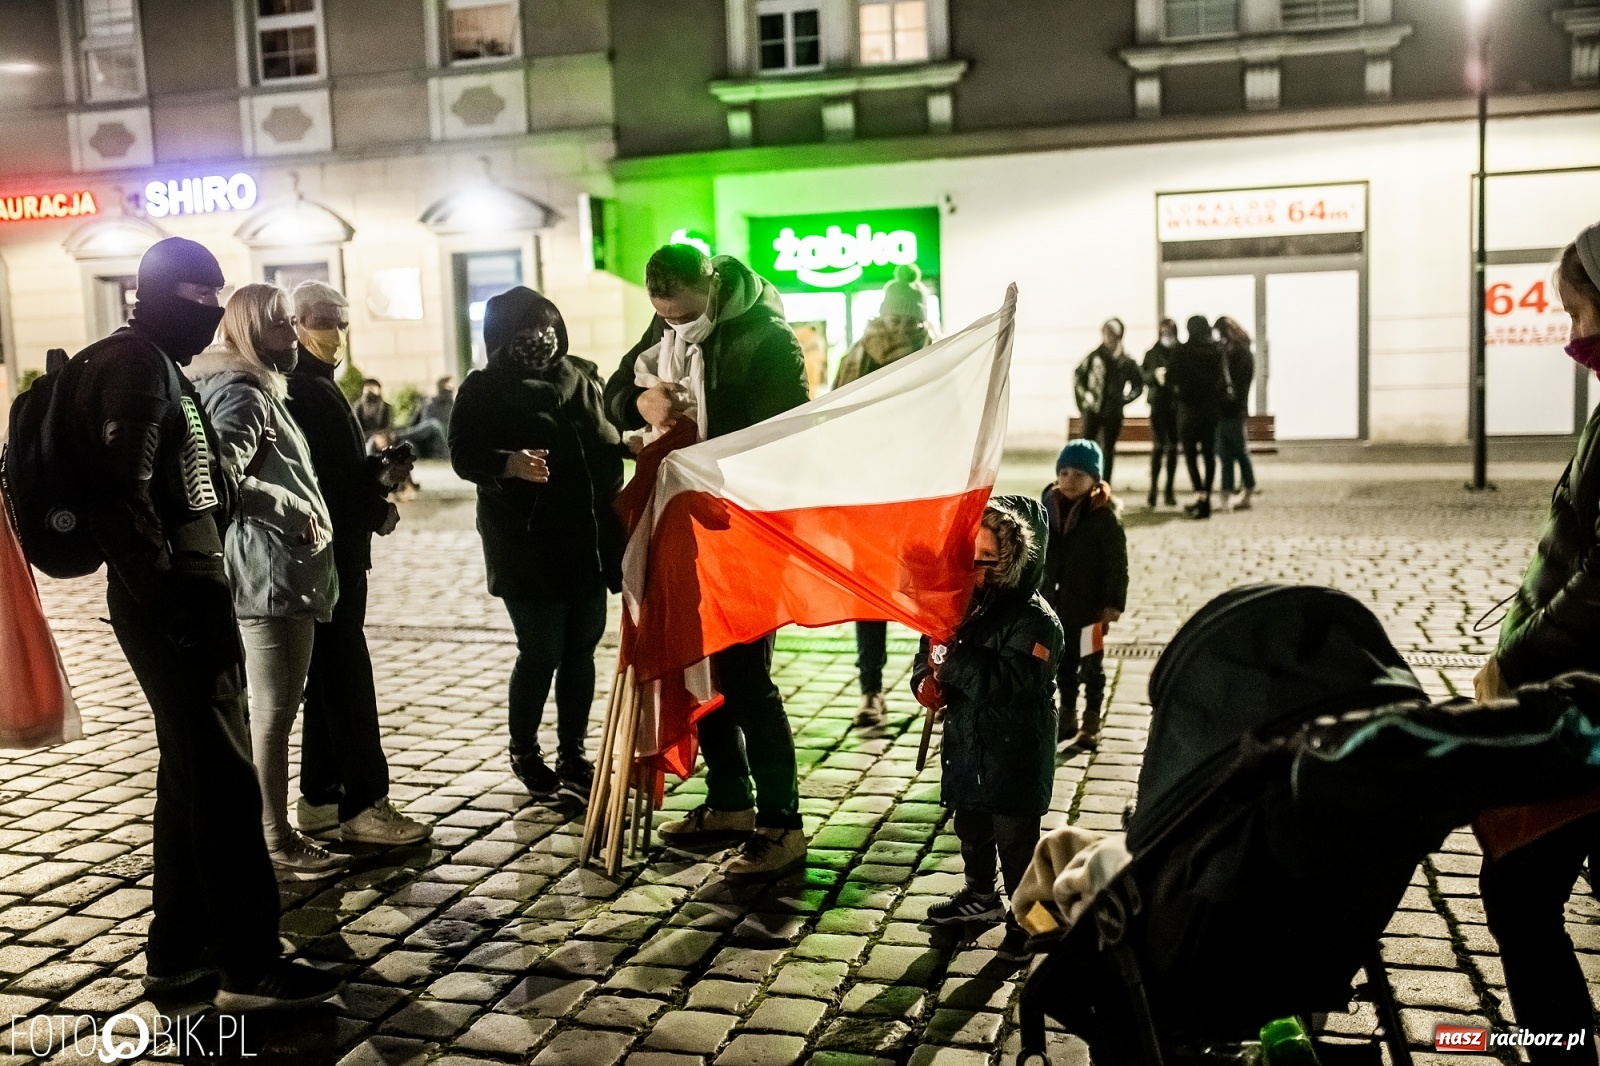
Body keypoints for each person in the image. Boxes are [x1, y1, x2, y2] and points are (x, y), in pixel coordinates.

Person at [65, 237, 341, 1010]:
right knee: (222, 786)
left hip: (185, 592)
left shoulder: (157, 363)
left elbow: (188, 482)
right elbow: (124, 495)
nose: (214, 310)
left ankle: (177, 957)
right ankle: (246, 961)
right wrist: (170, 600)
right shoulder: (134, 368)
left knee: (191, 781)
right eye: (201, 294)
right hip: (174, 601)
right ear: (159, 294)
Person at [604, 243, 811, 877]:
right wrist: (643, 406)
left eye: (685, 316)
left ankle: (782, 823)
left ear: (713, 288)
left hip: (743, 528)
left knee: (748, 681)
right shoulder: (662, 327)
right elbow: (614, 394)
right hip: (683, 534)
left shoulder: (769, 340)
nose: (674, 327)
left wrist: (706, 443)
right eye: (663, 316)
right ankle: (729, 801)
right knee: (703, 670)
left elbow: (786, 435)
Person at [1475, 224, 1600, 1066]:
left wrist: (1514, 658)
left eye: (1576, 309)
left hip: (1585, 695)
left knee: (1519, 889)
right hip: (1580, 687)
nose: (1570, 332)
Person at [187, 285, 347, 881]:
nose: (295, 337)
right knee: (274, 716)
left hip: (272, 572)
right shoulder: (244, 394)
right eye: (281, 326)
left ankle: (269, 833)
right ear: (252, 333)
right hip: (271, 575)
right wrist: (282, 503)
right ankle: (276, 838)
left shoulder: (253, 389)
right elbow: (216, 476)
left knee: (268, 713)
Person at [450, 288, 625, 800]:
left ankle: (573, 752)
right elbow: (463, 454)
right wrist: (507, 462)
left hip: (587, 540)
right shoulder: (483, 388)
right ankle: (525, 750)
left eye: (548, 328)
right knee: (541, 649)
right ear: (501, 338)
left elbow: (605, 436)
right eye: (526, 333)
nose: (541, 341)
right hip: (525, 542)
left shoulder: (578, 376)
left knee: (581, 649)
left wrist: (631, 444)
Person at [286, 280, 430, 847]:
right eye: (323, 320)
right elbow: (326, 486)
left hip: (326, 552)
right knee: (345, 676)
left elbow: (336, 473)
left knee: (327, 676)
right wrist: (376, 503)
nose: (335, 332)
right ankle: (364, 803)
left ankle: (321, 796)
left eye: (341, 320)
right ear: (295, 323)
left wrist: (376, 471)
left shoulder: (314, 386)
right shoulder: (309, 390)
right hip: (331, 553)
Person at [914, 496, 1064, 965]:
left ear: (1014, 561)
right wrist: (926, 682)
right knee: (971, 829)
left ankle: (1038, 925)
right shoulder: (956, 607)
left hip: (1015, 754)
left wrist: (953, 662)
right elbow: (929, 656)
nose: (976, 573)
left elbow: (1012, 683)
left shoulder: (1037, 621)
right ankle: (980, 896)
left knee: (1018, 850)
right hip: (968, 747)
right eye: (969, 561)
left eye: (988, 563)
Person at [834, 264, 935, 729]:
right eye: (897, 314)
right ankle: (884, 687)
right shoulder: (869, 356)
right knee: (885, 596)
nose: (899, 323)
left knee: (920, 593)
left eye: (905, 315)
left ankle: (921, 682)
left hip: (901, 493)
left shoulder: (928, 352)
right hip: (886, 492)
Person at [1040, 440, 1127, 753]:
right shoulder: (1048, 513)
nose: (1069, 478)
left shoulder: (1103, 519)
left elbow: (1118, 566)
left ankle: (1092, 720)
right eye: (1063, 471)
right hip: (1057, 610)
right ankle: (1067, 715)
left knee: (1091, 666)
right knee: (1063, 665)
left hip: (1092, 612)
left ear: (1095, 480)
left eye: (1079, 473)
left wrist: (1112, 605)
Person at [1072, 318, 1143, 488]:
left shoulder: (1126, 361)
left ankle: (1104, 486)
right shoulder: (1094, 357)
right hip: (1093, 410)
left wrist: (1124, 399)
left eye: (1111, 334)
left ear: (1119, 336)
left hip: (1113, 412)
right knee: (1087, 447)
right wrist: (1085, 397)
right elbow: (1078, 377)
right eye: (1105, 333)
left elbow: (1138, 385)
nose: (1107, 337)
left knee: (1108, 451)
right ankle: (1085, 484)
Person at [1169, 314, 1227, 520]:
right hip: (1210, 411)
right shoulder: (1216, 350)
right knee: (1209, 455)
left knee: (1191, 455)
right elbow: (1222, 380)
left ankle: (1200, 494)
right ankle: (1207, 498)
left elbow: (1170, 378)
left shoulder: (1181, 350)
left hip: (1188, 410)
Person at [1214, 316, 1257, 512]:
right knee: (1228, 454)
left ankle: (1243, 490)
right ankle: (1230, 492)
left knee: (1236, 452)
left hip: (1232, 410)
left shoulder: (1239, 354)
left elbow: (1238, 384)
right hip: (1228, 410)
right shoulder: (1239, 352)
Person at [1142, 318, 1181, 509]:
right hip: (1158, 404)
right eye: (1164, 331)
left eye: (1170, 331)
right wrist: (1155, 376)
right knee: (1158, 447)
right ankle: (1153, 489)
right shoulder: (1152, 352)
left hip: (1175, 405)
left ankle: (1169, 490)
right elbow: (1144, 375)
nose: (1167, 334)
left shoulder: (1180, 351)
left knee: (1173, 447)